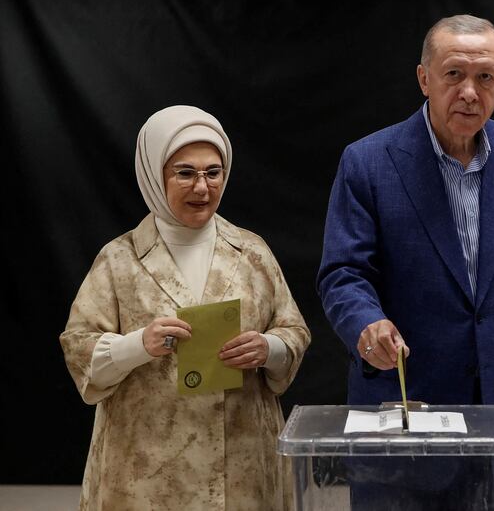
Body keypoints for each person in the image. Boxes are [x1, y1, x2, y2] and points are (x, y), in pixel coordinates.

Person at [318, 14, 494, 471]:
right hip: (405, 398)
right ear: (424, 79)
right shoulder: (368, 161)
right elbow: (343, 273)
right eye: (454, 75)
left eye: (484, 77)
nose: (470, 92)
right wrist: (366, 324)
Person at [60, 105, 310, 509]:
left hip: (243, 467)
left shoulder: (252, 252)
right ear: (154, 175)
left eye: (213, 172)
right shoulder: (119, 260)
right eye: (184, 173)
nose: (202, 188)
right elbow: (79, 349)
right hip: (146, 472)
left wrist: (269, 349)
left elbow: (293, 331)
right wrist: (139, 344)